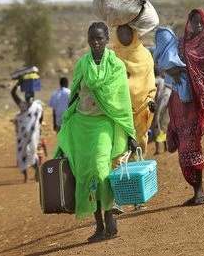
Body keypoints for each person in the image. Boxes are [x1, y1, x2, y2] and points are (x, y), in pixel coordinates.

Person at [54, 22, 137, 242]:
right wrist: (67, 122)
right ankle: (98, 226)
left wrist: (130, 134)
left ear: (107, 39)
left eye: (100, 38)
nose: (96, 42)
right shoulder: (82, 64)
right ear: (88, 40)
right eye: (92, 39)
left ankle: (110, 218)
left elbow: (122, 102)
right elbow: (74, 95)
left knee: (101, 172)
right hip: (82, 126)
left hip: (103, 125)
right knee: (85, 176)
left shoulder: (116, 65)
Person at [157, 9, 204, 206]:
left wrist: (183, 70)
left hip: (197, 101)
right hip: (180, 102)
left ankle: (200, 189)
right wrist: (176, 70)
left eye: (201, 22)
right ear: (189, 23)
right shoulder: (181, 43)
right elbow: (165, 64)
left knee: (192, 144)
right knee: (184, 146)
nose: (198, 26)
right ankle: (196, 190)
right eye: (194, 22)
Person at [112, 23, 157, 212]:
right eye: (120, 32)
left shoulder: (144, 55)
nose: (124, 35)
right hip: (118, 113)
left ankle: (139, 199)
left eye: (127, 32)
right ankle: (117, 199)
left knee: (137, 153)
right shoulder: (112, 56)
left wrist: (151, 99)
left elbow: (149, 82)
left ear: (134, 33)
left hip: (140, 112)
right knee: (117, 155)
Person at [11, 82, 43, 183]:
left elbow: (39, 119)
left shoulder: (37, 107)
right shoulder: (26, 106)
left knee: (31, 153)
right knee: (22, 155)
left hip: (32, 136)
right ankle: (26, 177)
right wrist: (18, 83)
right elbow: (13, 93)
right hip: (23, 136)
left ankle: (37, 172)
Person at [150, 68, 171, 155]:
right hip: (162, 106)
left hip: (159, 107)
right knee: (163, 126)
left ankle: (160, 148)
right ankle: (164, 147)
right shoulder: (164, 82)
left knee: (158, 127)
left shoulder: (155, 82)